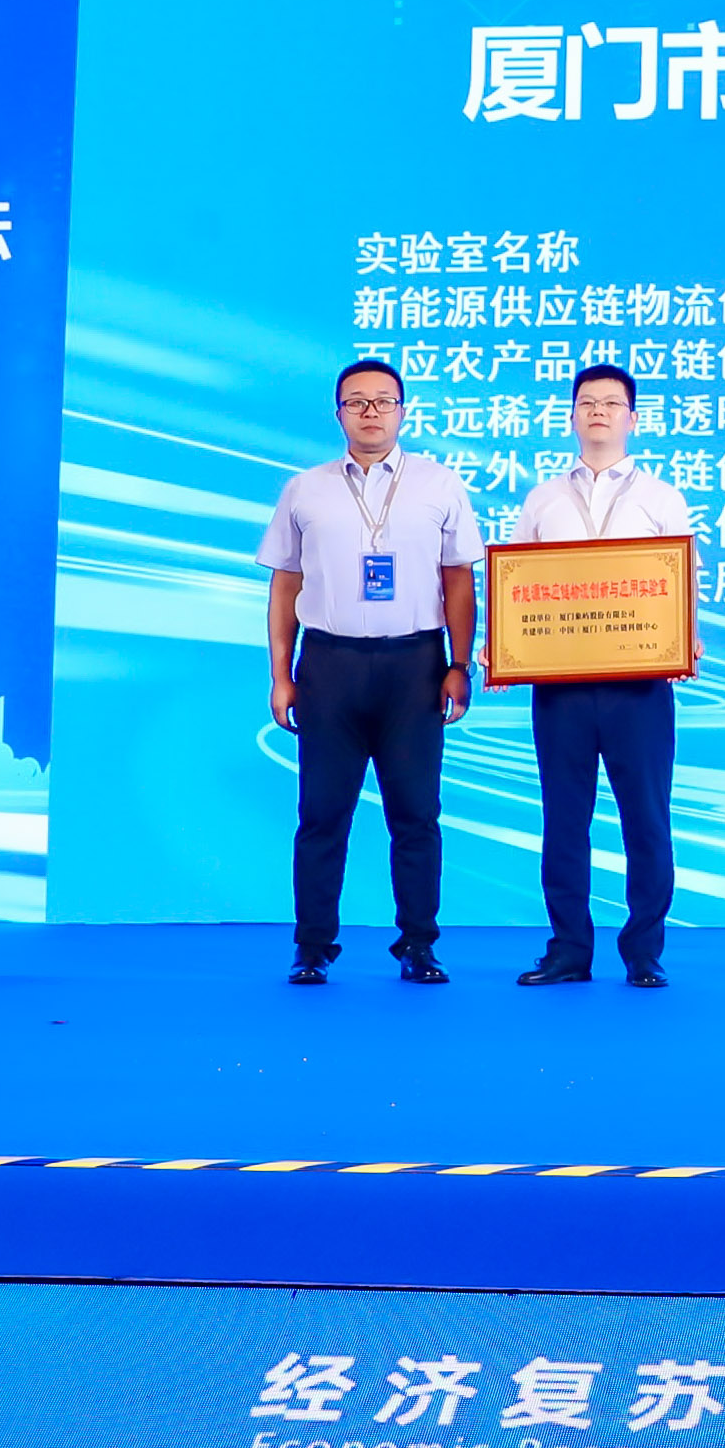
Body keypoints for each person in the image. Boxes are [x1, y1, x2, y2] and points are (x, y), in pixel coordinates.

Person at [259, 359, 479, 986]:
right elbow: (285, 585)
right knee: (321, 815)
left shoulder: (439, 484)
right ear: (338, 414)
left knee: (416, 815)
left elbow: (459, 580)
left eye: (384, 401)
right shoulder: (305, 489)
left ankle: (418, 945)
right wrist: (281, 674)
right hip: (329, 665)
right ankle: (312, 946)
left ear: (403, 411)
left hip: (415, 665)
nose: (371, 412)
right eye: (356, 402)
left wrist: (458, 663)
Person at [504, 364, 695, 991]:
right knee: (564, 819)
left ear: (632, 419)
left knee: (647, 819)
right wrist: (504, 650)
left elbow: (681, 581)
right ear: (571, 416)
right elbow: (517, 583)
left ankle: (644, 951)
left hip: (639, 686)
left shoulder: (661, 498)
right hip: (561, 686)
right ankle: (568, 950)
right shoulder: (542, 499)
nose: (598, 412)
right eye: (587, 403)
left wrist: (684, 637)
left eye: (612, 404)